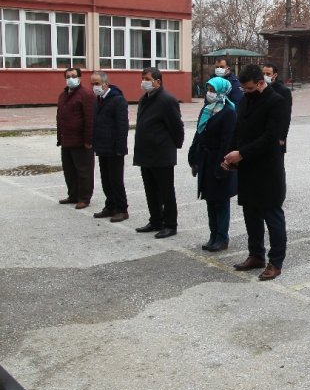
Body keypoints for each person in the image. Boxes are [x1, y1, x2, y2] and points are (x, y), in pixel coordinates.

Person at [226, 64, 289, 281]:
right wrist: (230, 156)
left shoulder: (276, 102)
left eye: (250, 88)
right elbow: (238, 129)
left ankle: (276, 261)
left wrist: (241, 153)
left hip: (268, 169)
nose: (246, 92)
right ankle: (256, 255)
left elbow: (271, 138)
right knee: (250, 214)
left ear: (261, 83)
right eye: (243, 89)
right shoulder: (245, 100)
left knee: (272, 216)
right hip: (247, 168)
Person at [133, 67, 185, 239]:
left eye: (147, 79)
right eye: (142, 78)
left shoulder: (167, 100)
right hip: (145, 153)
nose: (144, 82)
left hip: (161, 154)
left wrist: (174, 146)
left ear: (157, 81)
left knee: (165, 191)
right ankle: (156, 220)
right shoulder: (144, 99)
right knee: (150, 190)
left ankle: (170, 224)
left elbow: (177, 127)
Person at [188, 77, 238, 252]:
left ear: (222, 91)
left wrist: (222, 165)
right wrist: (193, 155)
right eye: (208, 89)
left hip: (219, 161)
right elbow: (199, 132)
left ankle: (222, 238)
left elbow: (227, 141)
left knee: (221, 200)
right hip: (205, 159)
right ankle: (213, 235)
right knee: (209, 199)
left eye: (213, 90)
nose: (209, 93)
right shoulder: (207, 109)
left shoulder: (229, 112)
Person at [90, 71, 129, 222]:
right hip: (102, 147)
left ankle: (122, 209)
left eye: (97, 83)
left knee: (116, 180)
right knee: (106, 180)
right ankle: (110, 205)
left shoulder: (117, 100)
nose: (94, 87)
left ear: (105, 84)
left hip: (114, 148)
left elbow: (122, 126)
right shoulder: (99, 100)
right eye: (92, 84)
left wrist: (120, 148)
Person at [57, 67, 95, 209]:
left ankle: (84, 198)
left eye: (73, 76)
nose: (70, 79)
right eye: (68, 76)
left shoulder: (86, 94)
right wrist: (59, 137)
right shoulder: (63, 95)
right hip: (66, 140)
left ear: (79, 77)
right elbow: (59, 116)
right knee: (69, 170)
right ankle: (73, 195)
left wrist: (88, 140)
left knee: (84, 171)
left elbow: (90, 119)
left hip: (81, 141)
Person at [263, 63, 292, 151]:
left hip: (277, 134)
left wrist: (282, 137)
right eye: (263, 74)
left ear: (275, 75)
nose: (265, 76)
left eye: (268, 74)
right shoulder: (260, 88)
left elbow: (286, 115)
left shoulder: (284, 91)